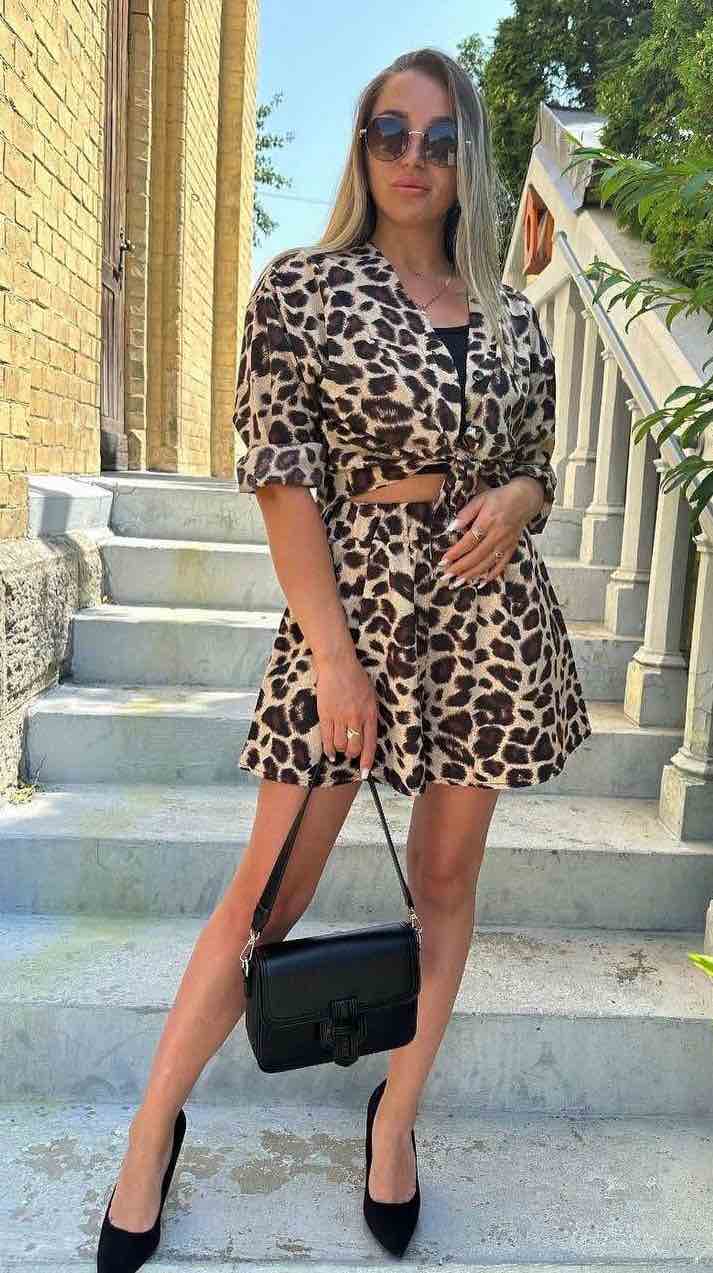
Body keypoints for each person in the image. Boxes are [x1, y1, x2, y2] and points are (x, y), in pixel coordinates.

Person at [96, 46, 592, 1270]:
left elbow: (538, 460)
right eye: (390, 132)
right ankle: (151, 1131)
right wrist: (332, 655)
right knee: (268, 895)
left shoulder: (510, 310)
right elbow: (280, 472)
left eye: (440, 139)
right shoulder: (304, 288)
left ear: (470, 160)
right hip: (354, 609)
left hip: (487, 623)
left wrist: (521, 497)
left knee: (444, 882)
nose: (414, 158)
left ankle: (395, 1118)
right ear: (360, 146)